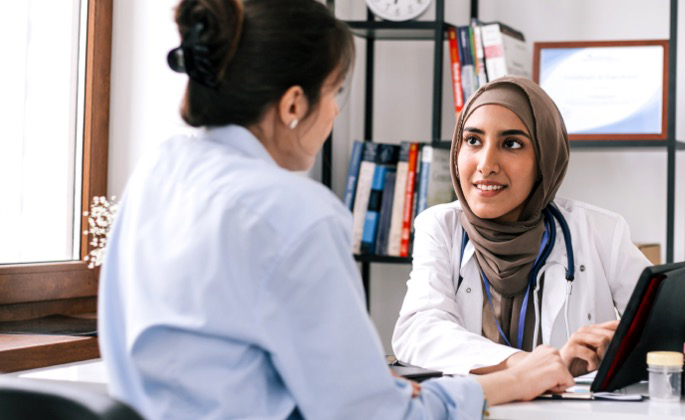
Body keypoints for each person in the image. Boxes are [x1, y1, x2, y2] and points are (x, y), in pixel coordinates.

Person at [98, 1, 573, 419]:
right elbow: (373, 417)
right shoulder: (293, 212)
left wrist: (378, 390)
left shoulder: (156, 174)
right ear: (292, 104)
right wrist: (508, 383)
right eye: (335, 92)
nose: (336, 113)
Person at [392, 77, 685, 377]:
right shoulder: (440, 226)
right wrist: (540, 365)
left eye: (511, 143)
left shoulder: (600, 230)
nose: (486, 165)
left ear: (546, 157)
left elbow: (656, 330)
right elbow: (420, 331)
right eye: (473, 140)